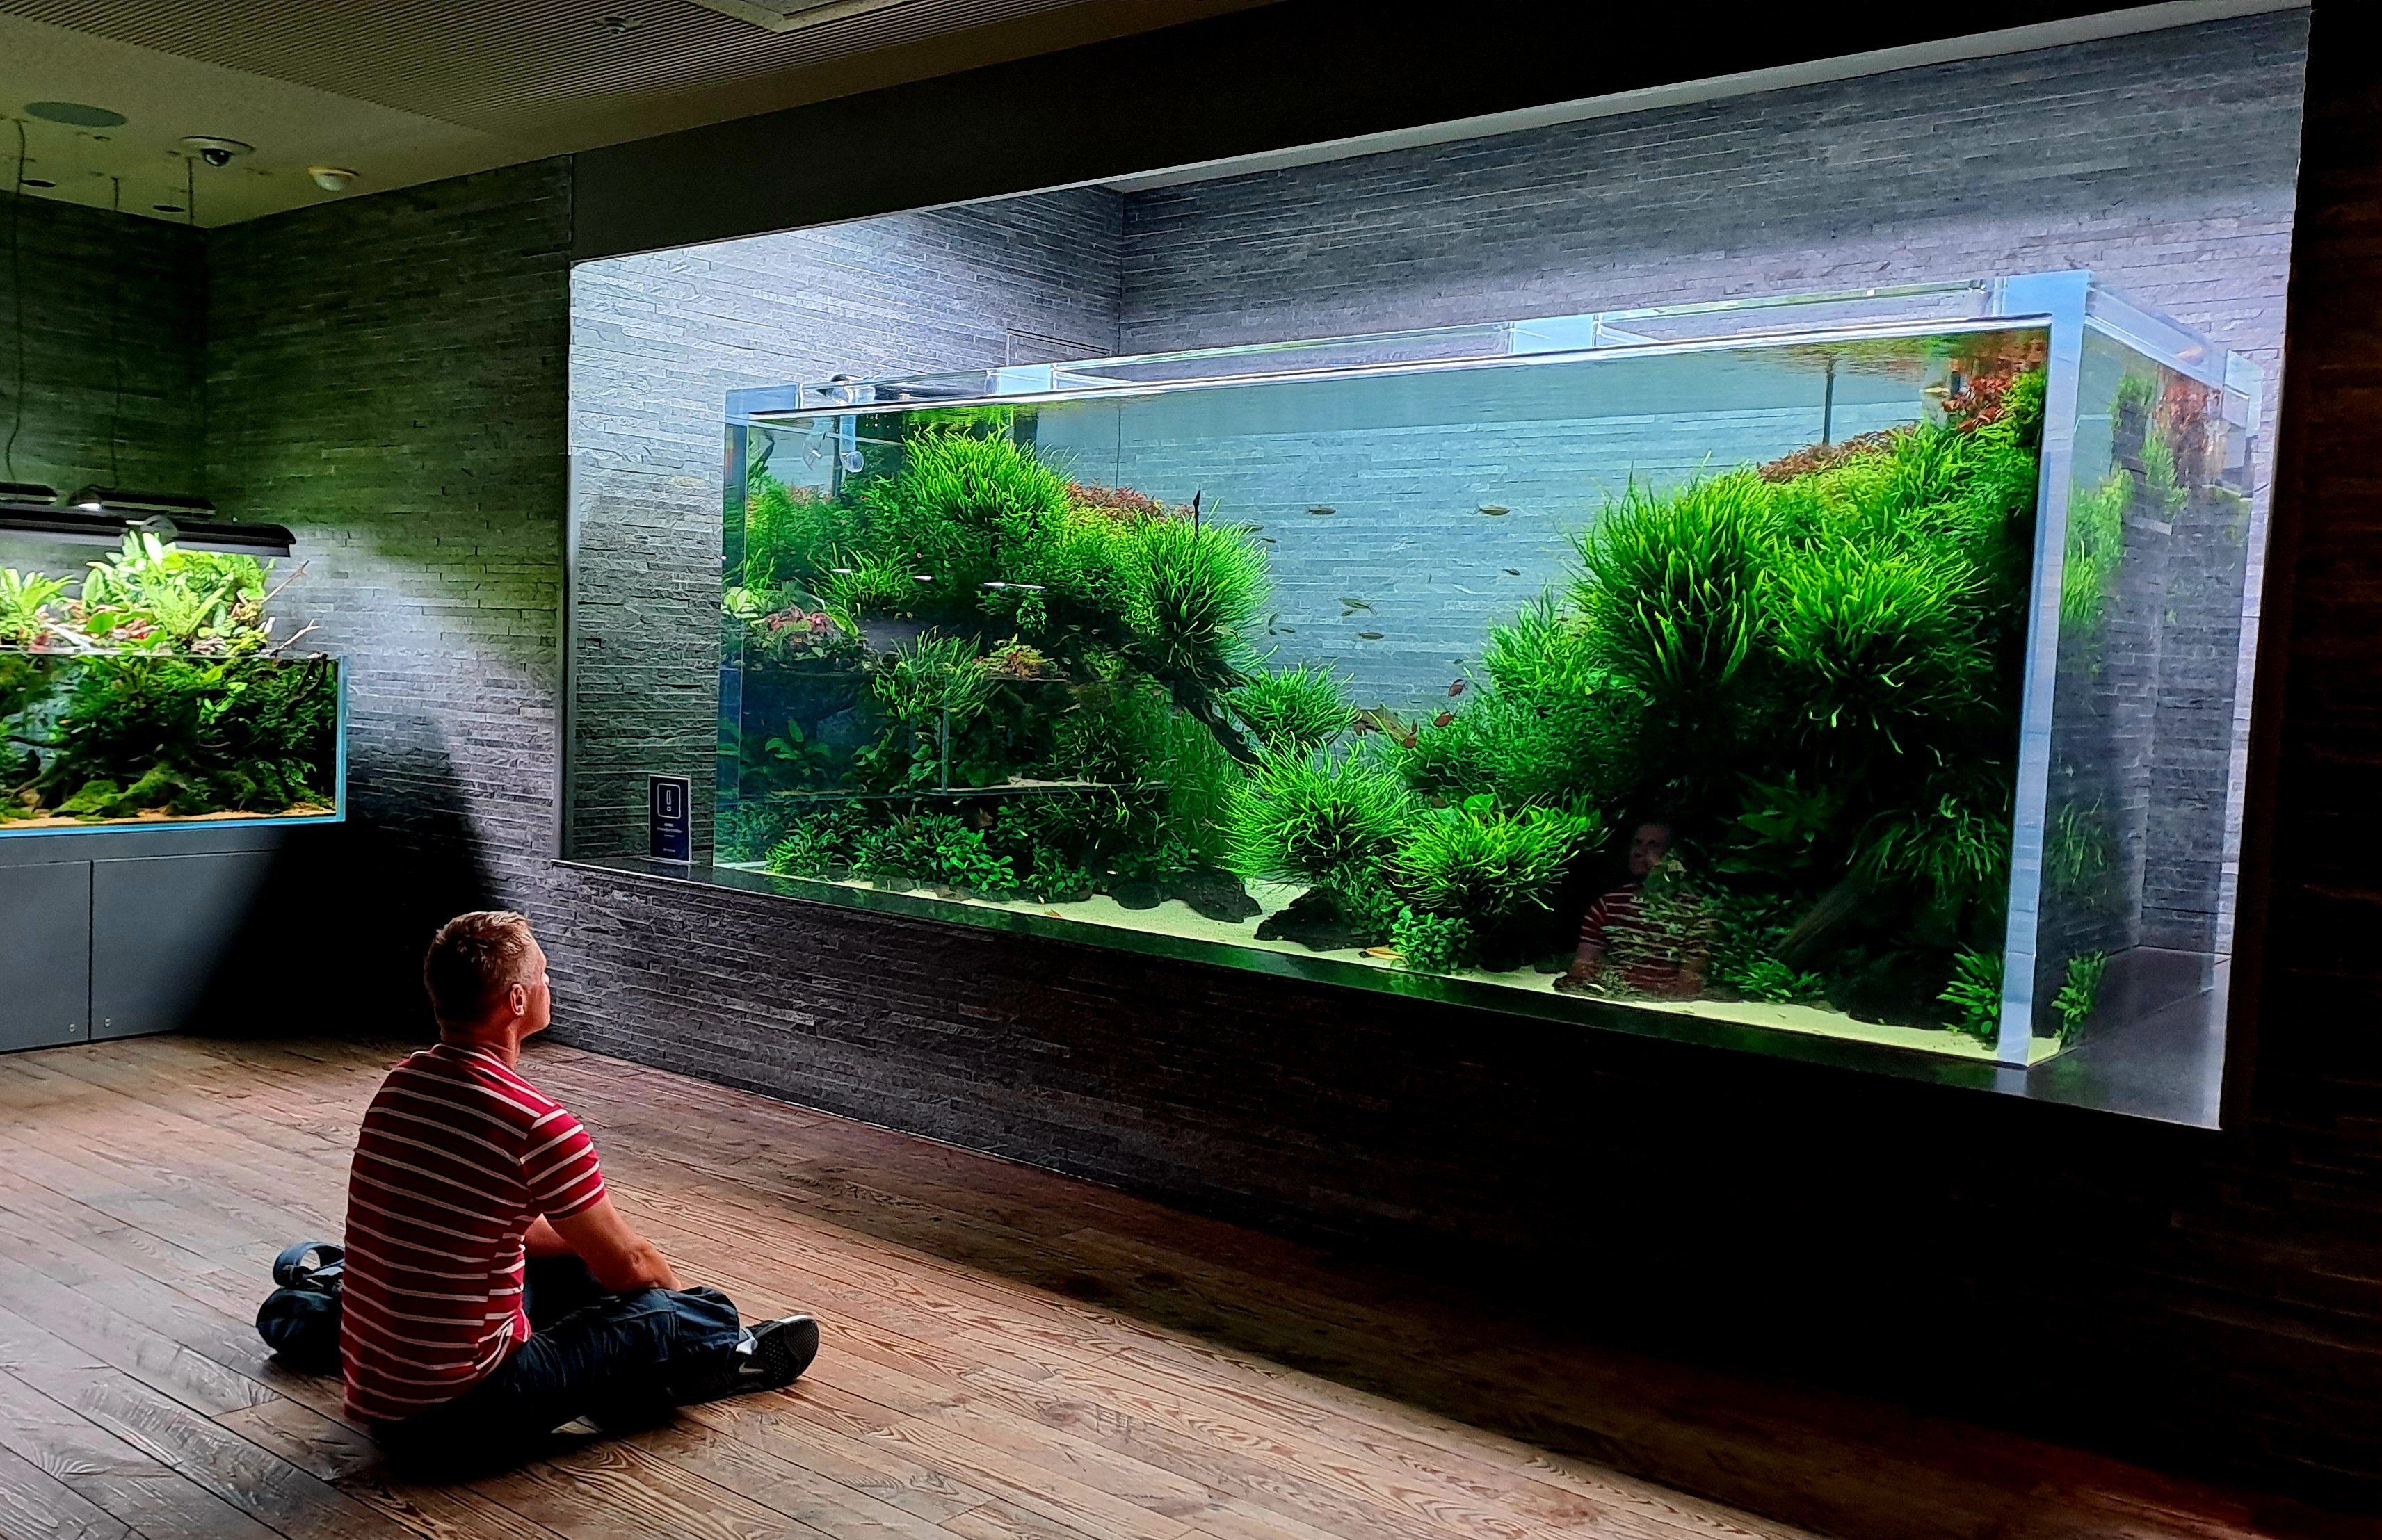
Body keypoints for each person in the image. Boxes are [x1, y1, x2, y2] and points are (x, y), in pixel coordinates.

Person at [340, 910, 818, 1470]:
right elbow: (632, 1265)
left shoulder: (402, 1083)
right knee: (688, 1312)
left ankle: (632, 1370)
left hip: (379, 1397)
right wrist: (673, 1309)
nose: (550, 983)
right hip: (464, 1414)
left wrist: (589, 1256)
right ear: (517, 1000)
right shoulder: (535, 1123)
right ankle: (720, 1351)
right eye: (542, 974)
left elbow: (506, 1230)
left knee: (571, 1263)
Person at [1555, 821, 1709, 998]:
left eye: (1653, 846)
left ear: (1673, 855)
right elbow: (1582, 968)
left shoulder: (1692, 910)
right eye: (1637, 843)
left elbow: (1691, 982)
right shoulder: (1607, 906)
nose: (1639, 852)